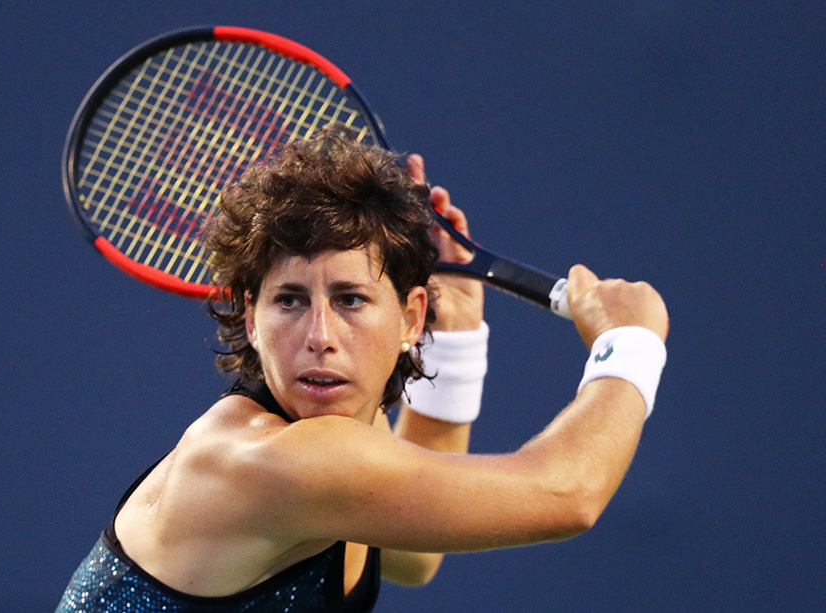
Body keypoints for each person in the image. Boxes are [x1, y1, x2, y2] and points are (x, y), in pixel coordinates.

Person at [56, 126, 669, 612]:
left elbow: (410, 556)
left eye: (350, 300)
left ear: (410, 317)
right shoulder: (274, 462)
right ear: (250, 316)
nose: (320, 337)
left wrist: (454, 342)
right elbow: (567, 495)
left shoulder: (338, 446)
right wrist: (630, 343)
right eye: (290, 300)